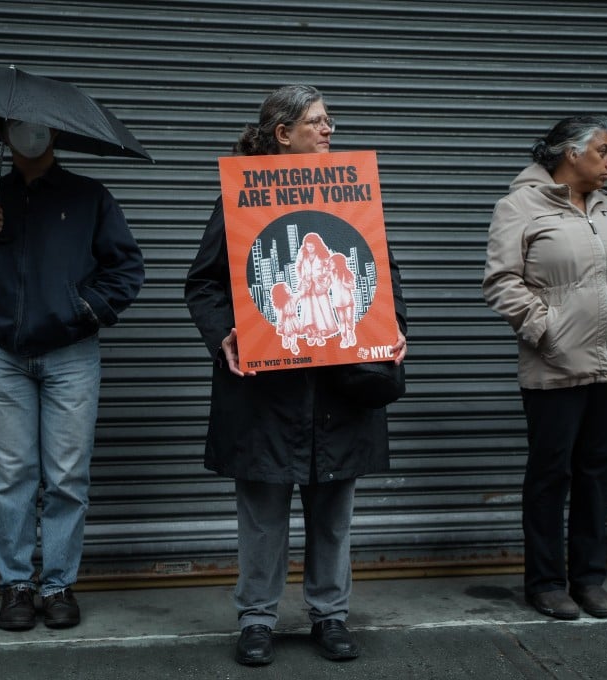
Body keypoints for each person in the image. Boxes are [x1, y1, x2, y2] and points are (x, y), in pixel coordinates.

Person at [184, 84, 408, 665]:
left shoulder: (355, 196)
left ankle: (330, 616)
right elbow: (204, 284)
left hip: (341, 387)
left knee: (334, 512)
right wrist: (224, 334)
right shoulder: (239, 200)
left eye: (330, 120)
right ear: (283, 134)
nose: (329, 129)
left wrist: (395, 327)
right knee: (261, 514)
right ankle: (257, 620)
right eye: (316, 121)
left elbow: (382, 275)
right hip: (267, 393)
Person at [0, 119, 144, 631]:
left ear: (55, 134)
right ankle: (15, 584)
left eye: (37, 128)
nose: (27, 135)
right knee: (9, 475)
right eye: (16, 127)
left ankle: (57, 585)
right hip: (3, 356)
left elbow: (127, 269)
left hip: (71, 356)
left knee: (67, 477)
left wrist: (81, 310)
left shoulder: (88, 197)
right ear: (3, 135)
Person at [482, 115, 607, 621]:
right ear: (571, 153)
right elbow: (501, 282)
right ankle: (544, 583)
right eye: (604, 151)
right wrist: (548, 331)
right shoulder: (519, 205)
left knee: (597, 474)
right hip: (555, 367)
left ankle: (588, 579)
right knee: (550, 475)